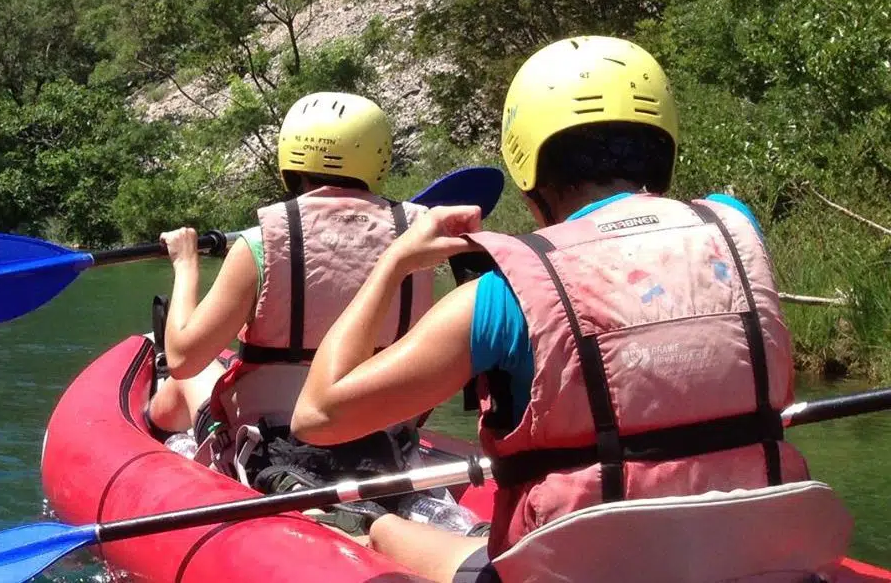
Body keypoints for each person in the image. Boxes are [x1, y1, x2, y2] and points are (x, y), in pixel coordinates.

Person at [291, 37, 819, 582]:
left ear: (527, 173)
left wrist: (395, 262)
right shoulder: (735, 228)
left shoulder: (505, 292)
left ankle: (368, 531)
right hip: (753, 560)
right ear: (664, 147)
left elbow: (318, 417)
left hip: (580, 571)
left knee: (386, 531)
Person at [147, 92, 436, 506]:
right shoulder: (420, 236)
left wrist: (185, 263)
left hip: (274, 448)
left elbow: (182, 358)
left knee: (188, 377)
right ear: (378, 159)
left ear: (290, 159)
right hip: (385, 445)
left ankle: (145, 433)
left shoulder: (261, 242)